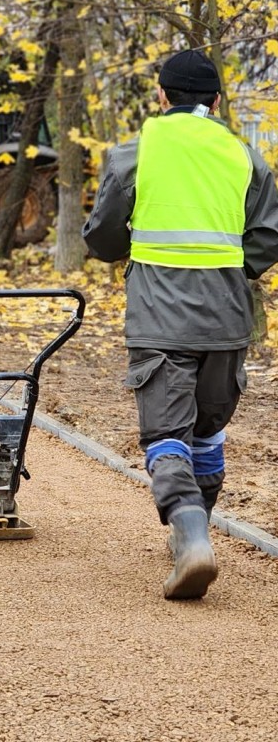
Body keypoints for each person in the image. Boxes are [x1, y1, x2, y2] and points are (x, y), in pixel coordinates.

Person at [82, 49, 278, 600]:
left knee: (167, 435)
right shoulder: (245, 156)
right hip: (227, 319)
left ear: (161, 96)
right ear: (216, 102)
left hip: (159, 319)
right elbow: (268, 234)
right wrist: (234, 272)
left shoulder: (136, 153)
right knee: (209, 430)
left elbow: (102, 239)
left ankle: (191, 536)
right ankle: (194, 534)